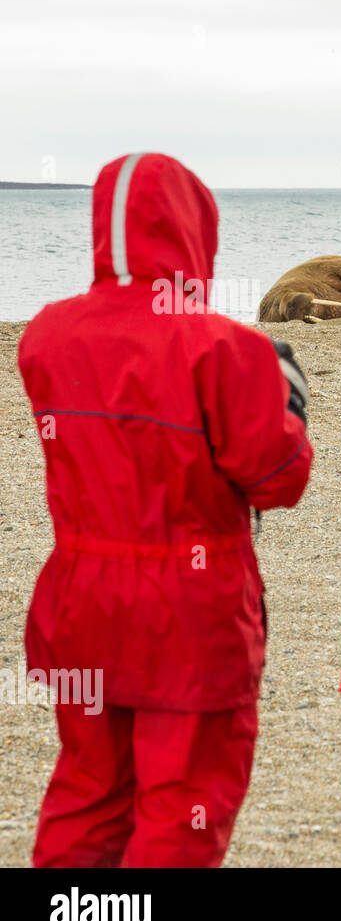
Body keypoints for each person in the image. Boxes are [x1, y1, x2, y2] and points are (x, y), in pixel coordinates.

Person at [19, 152, 313, 867]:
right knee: (182, 805)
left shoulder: (46, 334)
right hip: (189, 611)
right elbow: (278, 478)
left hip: (82, 604)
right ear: (193, 231)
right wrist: (289, 407)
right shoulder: (224, 347)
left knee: (86, 792)